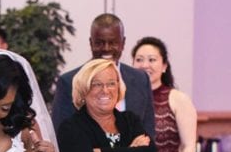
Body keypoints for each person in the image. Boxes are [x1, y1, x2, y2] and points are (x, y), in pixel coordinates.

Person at [51, 13, 155, 141]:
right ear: (91, 43)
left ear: (123, 43)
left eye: (112, 43)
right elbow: (61, 137)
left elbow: (149, 137)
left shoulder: (141, 80)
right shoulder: (69, 82)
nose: (106, 48)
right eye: (100, 43)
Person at [132, 37, 198, 152]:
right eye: (139, 59)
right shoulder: (124, 99)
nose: (145, 65)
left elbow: (188, 146)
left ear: (164, 66)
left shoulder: (177, 98)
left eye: (152, 60)